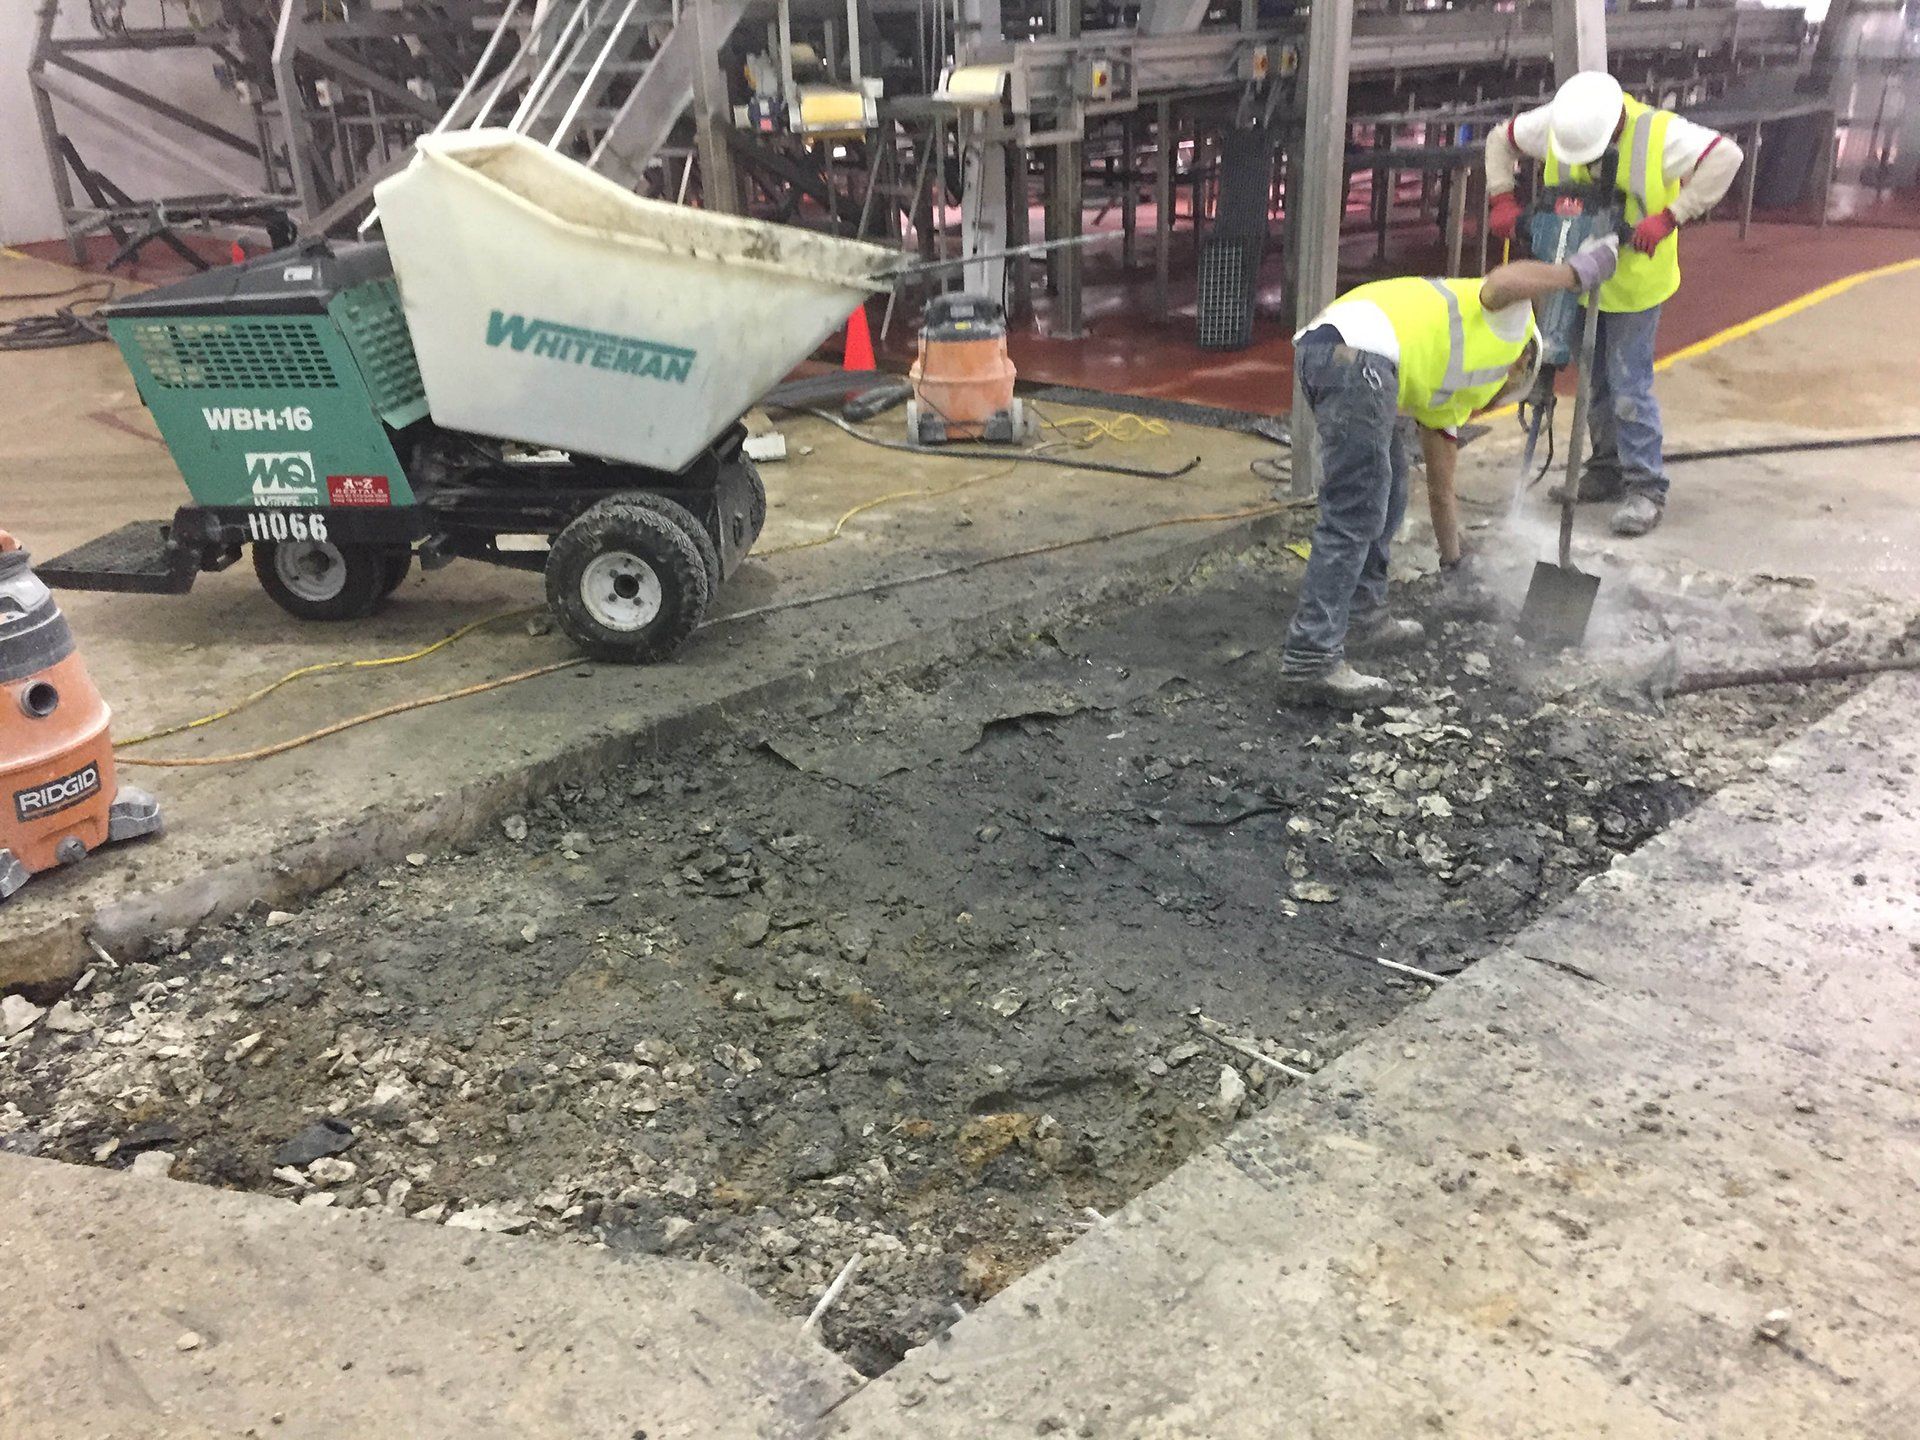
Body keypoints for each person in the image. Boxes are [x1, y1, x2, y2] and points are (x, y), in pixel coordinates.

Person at [1278, 238, 1619, 708]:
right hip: (1356, 355)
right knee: (1355, 509)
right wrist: (1573, 275)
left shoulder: (1451, 393)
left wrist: (1455, 561)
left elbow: (1441, 491)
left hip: (1342, 352)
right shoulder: (1512, 327)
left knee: (1393, 487)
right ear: (1522, 363)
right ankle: (1310, 657)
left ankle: (1362, 611)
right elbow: (1500, 281)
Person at [1486, 71, 1743, 537]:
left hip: (1634, 282)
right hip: (1576, 274)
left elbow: (1728, 155)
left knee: (1628, 383)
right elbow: (1498, 140)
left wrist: (1671, 216)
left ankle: (1645, 487)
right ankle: (1605, 468)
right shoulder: (1561, 123)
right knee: (1591, 378)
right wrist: (1501, 195)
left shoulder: (1661, 134)